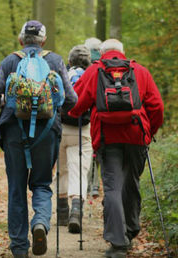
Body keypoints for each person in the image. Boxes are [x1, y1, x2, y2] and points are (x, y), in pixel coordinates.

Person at [0, 20, 77, 257]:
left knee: (16, 188)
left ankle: (18, 247)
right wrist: (54, 108)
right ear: (43, 41)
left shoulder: (9, 61)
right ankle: (40, 224)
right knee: (42, 183)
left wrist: (6, 102)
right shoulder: (55, 61)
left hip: (14, 132)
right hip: (47, 133)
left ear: (20, 40)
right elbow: (72, 99)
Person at [68, 39, 164, 258]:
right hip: (136, 135)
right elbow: (157, 106)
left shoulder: (94, 71)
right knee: (132, 182)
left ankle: (117, 243)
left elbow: (75, 103)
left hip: (106, 136)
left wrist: (74, 114)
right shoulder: (139, 71)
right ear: (122, 52)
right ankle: (130, 230)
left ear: (101, 54)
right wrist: (150, 130)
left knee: (112, 187)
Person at [57, 45, 93, 233]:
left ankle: (62, 212)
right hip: (82, 129)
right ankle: (76, 212)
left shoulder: (62, 74)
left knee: (62, 170)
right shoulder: (91, 76)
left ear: (69, 61)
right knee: (78, 169)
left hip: (60, 127)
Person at [84, 37, 102, 198]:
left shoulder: (86, 66)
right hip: (101, 114)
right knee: (96, 152)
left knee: (89, 151)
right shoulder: (104, 65)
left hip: (86, 114)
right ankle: (95, 185)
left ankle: (90, 185)